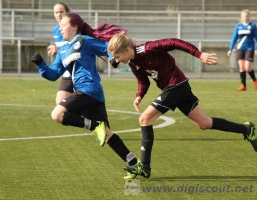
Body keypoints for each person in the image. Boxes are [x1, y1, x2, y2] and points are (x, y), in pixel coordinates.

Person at [108, 32, 257, 179]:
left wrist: (199, 54)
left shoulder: (148, 48)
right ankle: (246, 129)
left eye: (117, 56)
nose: (116, 61)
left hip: (175, 86)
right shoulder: (133, 64)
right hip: (178, 88)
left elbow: (174, 42)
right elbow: (143, 81)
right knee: (204, 123)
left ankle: (144, 167)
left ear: (127, 50)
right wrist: (139, 95)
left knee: (144, 119)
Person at [31, 13, 137, 179]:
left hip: (90, 89)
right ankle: (134, 163)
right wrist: (41, 64)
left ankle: (94, 126)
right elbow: (53, 75)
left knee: (56, 114)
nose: (60, 27)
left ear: (74, 27)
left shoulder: (84, 41)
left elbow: (107, 48)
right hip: (88, 94)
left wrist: (114, 59)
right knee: (108, 134)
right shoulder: (63, 50)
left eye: (63, 24)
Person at [47, 2, 73, 105]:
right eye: (56, 12)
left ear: (67, 13)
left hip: (79, 71)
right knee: (60, 104)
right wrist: (56, 52)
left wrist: (58, 48)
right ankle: (87, 121)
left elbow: (77, 46)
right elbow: (63, 51)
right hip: (66, 73)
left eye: (61, 12)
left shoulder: (75, 27)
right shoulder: (55, 30)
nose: (59, 14)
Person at [227, 9, 257, 91]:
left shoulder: (253, 25)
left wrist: (256, 49)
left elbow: (256, 38)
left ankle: (255, 82)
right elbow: (234, 38)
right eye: (244, 16)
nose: (245, 17)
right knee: (241, 67)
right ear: (241, 17)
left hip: (250, 48)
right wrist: (230, 49)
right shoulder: (238, 26)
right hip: (240, 48)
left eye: (247, 16)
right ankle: (243, 86)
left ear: (249, 16)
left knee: (247, 67)